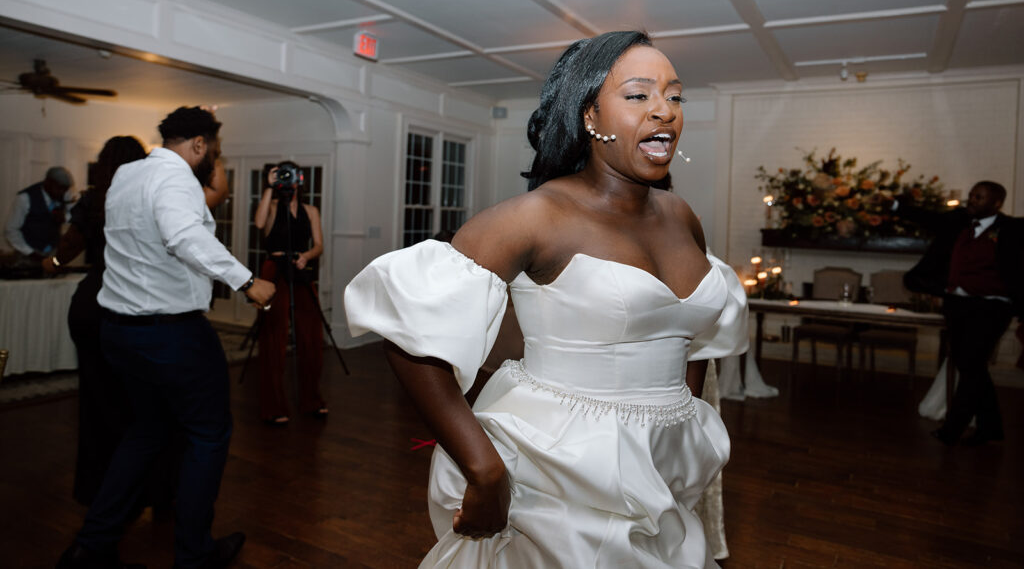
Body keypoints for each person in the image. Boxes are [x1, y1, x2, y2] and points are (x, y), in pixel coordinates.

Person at [345, 31, 746, 567]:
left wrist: (684, 416)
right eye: (638, 95)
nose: (664, 111)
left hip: (666, 462)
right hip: (562, 472)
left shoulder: (682, 216)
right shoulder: (536, 216)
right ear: (589, 116)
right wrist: (484, 470)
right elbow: (408, 328)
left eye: (674, 96)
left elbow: (693, 334)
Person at [57, 107, 275, 569]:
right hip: (171, 334)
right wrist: (247, 281)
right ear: (197, 144)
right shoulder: (177, 177)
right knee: (208, 435)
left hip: (118, 331)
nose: (211, 158)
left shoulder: (126, 175)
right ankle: (194, 556)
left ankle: (89, 545)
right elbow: (182, 236)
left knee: (146, 432)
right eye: (211, 150)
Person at [43, 137, 148, 507]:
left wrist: (50, 265)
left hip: (89, 304)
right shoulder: (144, 199)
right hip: (127, 300)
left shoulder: (93, 199)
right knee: (135, 402)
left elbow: (67, 250)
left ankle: (94, 487)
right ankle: (133, 489)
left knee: (95, 398)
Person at [900, 181, 1024, 446]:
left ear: (996, 203)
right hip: (959, 304)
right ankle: (991, 427)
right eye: (971, 195)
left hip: (992, 307)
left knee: (971, 365)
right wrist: (896, 206)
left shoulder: (1011, 229)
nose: (972, 200)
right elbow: (928, 218)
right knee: (971, 366)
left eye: (979, 197)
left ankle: (952, 429)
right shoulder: (959, 224)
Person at [252, 162, 327, 424]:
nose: (287, 180)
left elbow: (318, 245)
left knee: (311, 336)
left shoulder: (311, 210)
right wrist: (269, 189)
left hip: (299, 268)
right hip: (274, 270)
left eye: (290, 175)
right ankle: (273, 405)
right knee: (274, 336)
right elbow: (259, 223)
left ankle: (311, 400)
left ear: (300, 179)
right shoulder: (272, 207)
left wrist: (306, 256)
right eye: (282, 175)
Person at [5, 165, 74, 258]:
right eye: (59, 188)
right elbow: (11, 230)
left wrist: (65, 217)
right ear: (48, 182)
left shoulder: (65, 193)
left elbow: (75, 213)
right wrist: (30, 252)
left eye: (65, 190)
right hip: (27, 254)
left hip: (53, 252)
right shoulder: (24, 198)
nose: (62, 193)